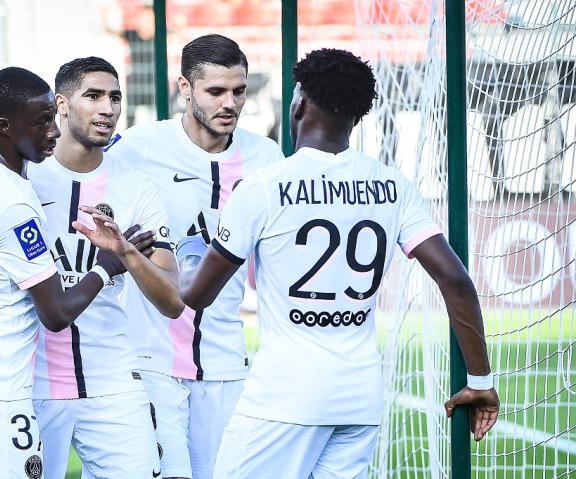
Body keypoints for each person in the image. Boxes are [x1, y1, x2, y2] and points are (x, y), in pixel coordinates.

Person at [177, 48, 500, 478]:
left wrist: (180, 258)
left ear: (300, 103)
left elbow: (197, 295)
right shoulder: (393, 185)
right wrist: (480, 381)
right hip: (359, 401)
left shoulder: (263, 187)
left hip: (285, 399)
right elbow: (455, 280)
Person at [0, 66, 169, 478]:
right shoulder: (17, 205)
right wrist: (108, 265)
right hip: (8, 387)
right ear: (6, 126)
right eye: (42, 121)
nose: (53, 131)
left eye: (115, 97)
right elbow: (55, 313)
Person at [105, 34, 284, 479]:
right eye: (216, 91)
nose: (230, 103)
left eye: (239, 91)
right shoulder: (138, 148)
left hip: (227, 363)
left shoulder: (266, 157)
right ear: (185, 87)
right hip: (152, 360)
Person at [27, 56, 182, 479]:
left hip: (112, 377)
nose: (107, 108)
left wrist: (126, 254)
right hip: (32, 378)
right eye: (93, 96)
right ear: (61, 104)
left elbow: (172, 301)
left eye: (115, 97)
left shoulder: (136, 186)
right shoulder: (23, 178)